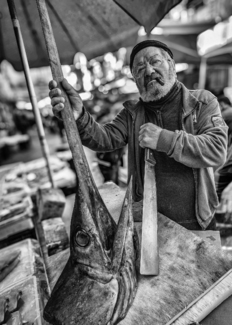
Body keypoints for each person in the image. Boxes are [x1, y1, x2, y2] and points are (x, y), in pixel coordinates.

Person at [48, 40, 228, 231]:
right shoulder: (131, 114)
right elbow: (103, 138)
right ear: (135, 80)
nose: (149, 71)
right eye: (140, 68)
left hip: (199, 222)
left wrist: (164, 139)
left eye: (155, 61)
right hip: (151, 226)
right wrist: (78, 116)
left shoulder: (202, 102)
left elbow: (216, 150)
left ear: (172, 65)